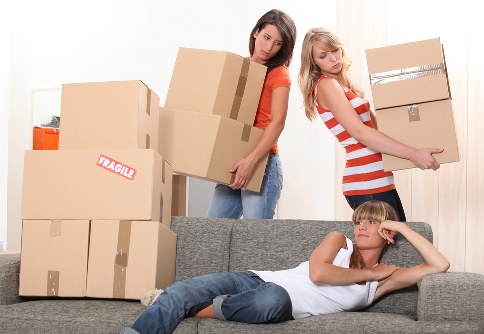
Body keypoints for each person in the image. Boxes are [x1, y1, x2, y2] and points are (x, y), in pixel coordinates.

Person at [121, 200, 449, 334]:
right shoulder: (339, 240)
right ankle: (174, 303)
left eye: (372, 222)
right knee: (181, 288)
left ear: (387, 233)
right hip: (253, 279)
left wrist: (405, 228)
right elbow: (318, 273)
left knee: (273, 301)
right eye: (359, 221)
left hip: (278, 302)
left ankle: (181, 306)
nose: (361, 227)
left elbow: (440, 264)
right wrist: (368, 272)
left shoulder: (387, 278)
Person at [298, 28, 444, 221]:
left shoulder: (343, 85)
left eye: (335, 50)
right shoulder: (326, 85)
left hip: (379, 179)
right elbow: (360, 133)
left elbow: (377, 131)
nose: (333, 58)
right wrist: (413, 154)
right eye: (323, 55)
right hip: (366, 181)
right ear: (313, 61)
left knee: (398, 246)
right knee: (390, 248)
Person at [206, 9, 297, 219]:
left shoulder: (279, 73)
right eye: (266, 37)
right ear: (256, 32)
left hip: (262, 163)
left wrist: (250, 161)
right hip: (234, 160)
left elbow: (278, 122)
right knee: (213, 232)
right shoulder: (238, 67)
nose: (269, 47)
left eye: (278, 43)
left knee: (255, 242)